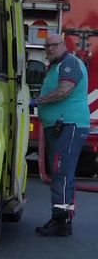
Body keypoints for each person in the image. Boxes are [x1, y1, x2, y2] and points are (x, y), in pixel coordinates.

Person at [32, 33, 89, 237]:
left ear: (64, 45)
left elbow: (64, 90)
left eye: (54, 45)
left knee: (61, 172)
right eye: (47, 46)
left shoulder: (69, 63)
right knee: (61, 173)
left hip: (69, 125)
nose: (50, 49)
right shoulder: (55, 66)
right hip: (60, 126)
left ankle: (61, 220)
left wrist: (37, 101)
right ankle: (63, 219)